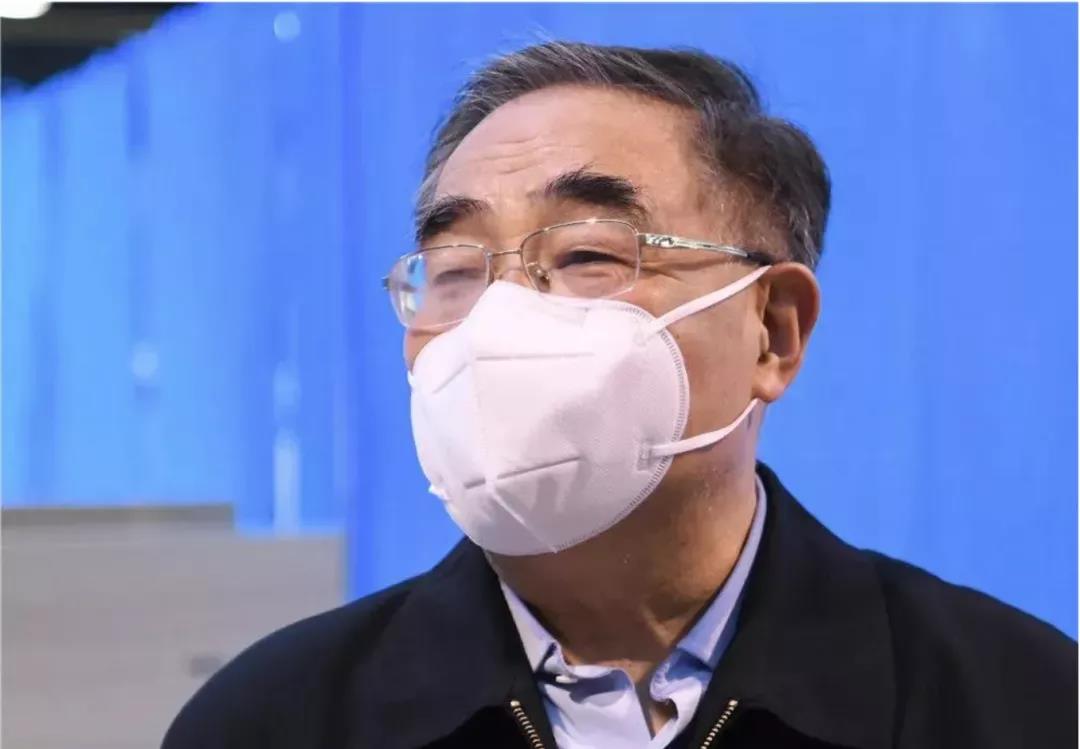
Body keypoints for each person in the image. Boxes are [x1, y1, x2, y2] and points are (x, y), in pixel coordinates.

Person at [163, 42, 1076, 749]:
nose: (499, 319)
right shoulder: (279, 719)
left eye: (586, 254)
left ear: (773, 331)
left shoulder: (1013, 702)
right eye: (455, 268)